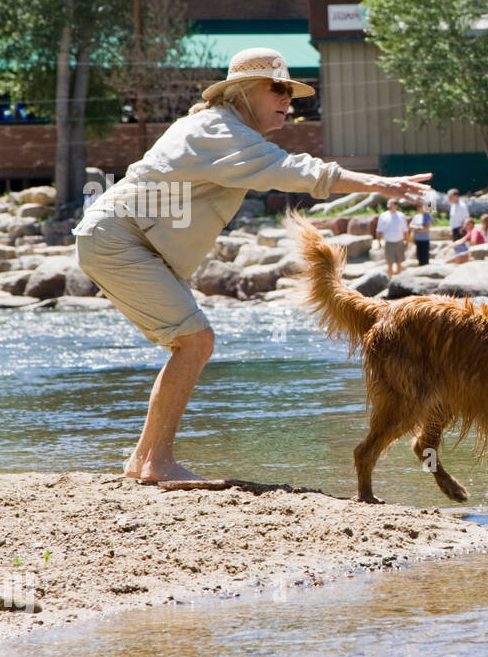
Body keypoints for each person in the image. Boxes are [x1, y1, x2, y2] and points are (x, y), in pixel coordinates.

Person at [73, 46, 432, 483]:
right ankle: (156, 462)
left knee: (191, 342)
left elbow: (283, 168)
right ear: (242, 91)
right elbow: (293, 170)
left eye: (291, 91)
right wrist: (376, 183)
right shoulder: (220, 130)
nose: (288, 99)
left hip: (127, 242)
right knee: (196, 341)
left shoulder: (223, 129)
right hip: (119, 240)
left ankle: (144, 460)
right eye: (277, 88)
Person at [376, 198, 410, 277]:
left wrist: (407, 242)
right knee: (389, 263)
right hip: (388, 243)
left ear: (396, 206)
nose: (389, 206)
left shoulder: (401, 216)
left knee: (399, 263)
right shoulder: (383, 216)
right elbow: (379, 230)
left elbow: (405, 230)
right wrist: (379, 242)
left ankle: (398, 281)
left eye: (391, 205)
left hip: (399, 242)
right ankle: (390, 280)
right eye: (388, 204)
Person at [410, 201, 433, 266]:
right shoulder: (416, 216)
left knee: (425, 257)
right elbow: (410, 226)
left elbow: (426, 229)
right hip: (417, 239)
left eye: (421, 206)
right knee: (419, 256)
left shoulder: (428, 216)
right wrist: (419, 228)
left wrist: (417, 228)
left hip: (425, 239)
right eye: (419, 206)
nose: (420, 208)